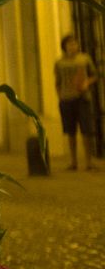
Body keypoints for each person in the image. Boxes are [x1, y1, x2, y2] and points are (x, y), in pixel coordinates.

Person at [56, 34, 98, 171]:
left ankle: (89, 161)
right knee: (70, 131)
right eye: (69, 43)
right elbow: (58, 81)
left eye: (75, 43)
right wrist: (60, 96)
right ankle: (73, 161)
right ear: (64, 46)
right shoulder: (59, 62)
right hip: (66, 99)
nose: (73, 46)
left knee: (86, 130)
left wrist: (87, 82)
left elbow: (94, 75)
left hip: (82, 98)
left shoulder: (84, 58)